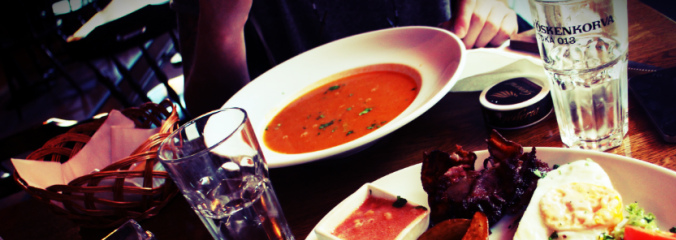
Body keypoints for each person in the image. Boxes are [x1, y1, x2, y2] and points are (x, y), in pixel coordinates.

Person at [172, 0, 519, 117]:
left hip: (450, 114)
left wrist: (490, 9)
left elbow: (490, 15)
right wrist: (222, 26)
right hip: (309, 178)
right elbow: (209, 116)